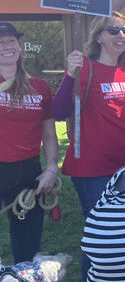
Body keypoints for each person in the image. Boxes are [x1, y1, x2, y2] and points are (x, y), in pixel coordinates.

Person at [52, 12, 125, 280]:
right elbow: (58, 110)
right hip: (93, 169)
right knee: (101, 235)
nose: (121, 36)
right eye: (113, 30)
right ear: (98, 36)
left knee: (124, 233)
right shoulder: (86, 68)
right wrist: (70, 74)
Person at [0, 22, 58, 263]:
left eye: (11, 41)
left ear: (20, 46)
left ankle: (21, 276)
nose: (7, 46)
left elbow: (49, 134)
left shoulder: (40, 87)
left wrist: (51, 169)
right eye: (1, 43)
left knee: (27, 242)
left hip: (28, 171)